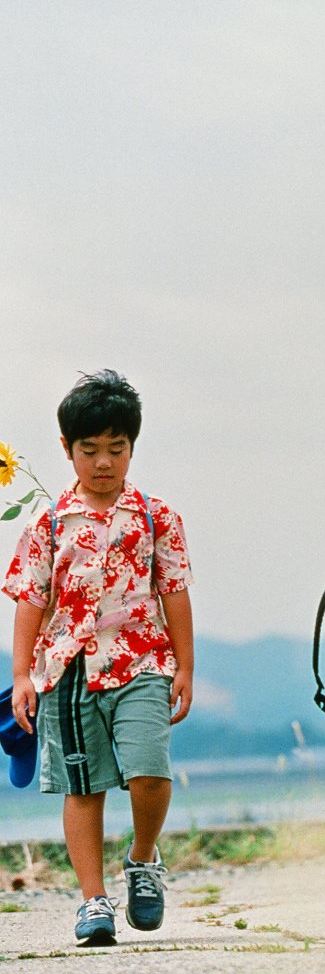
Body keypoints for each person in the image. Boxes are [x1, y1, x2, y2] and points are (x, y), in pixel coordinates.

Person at [3, 370, 194, 946]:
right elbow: (31, 602)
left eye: (117, 449)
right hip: (66, 669)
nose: (104, 462)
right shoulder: (48, 522)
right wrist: (21, 676)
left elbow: (175, 591)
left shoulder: (157, 516)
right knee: (81, 786)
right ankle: (93, 902)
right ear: (67, 449)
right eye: (90, 450)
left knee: (149, 771)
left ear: (133, 446)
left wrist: (185, 667)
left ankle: (142, 860)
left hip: (142, 662)